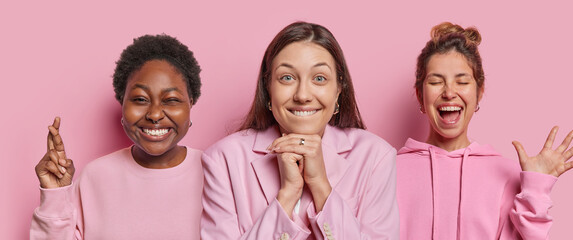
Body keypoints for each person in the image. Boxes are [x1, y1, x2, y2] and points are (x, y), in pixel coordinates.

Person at [201, 21, 399, 240]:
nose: (302, 95)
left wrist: (320, 186)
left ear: (338, 89)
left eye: (319, 78)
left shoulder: (376, 157)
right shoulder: (223, 159)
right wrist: (288, 194)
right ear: (268, 88)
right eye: (287, 78)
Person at [396, 22, 573, 239]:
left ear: (479, 93)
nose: (449, 92)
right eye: (436, 82)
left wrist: (535, 187)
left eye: (462, 81)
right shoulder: (387, 171)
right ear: (420, 96)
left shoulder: (507, 174)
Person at [30, 34, 204, 239]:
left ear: (190, 103)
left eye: (171, 100)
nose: (155, 114)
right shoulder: (95, 176)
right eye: (140, 99)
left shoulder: (216, 172)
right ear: (122, 103)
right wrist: (55, 198)